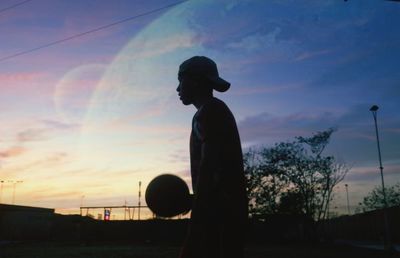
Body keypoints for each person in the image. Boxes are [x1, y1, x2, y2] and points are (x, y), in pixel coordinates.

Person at [176, 56, 248, 258]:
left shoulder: (211, 111)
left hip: (220, 214)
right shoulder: (210, 112)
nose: (177, 89)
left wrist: (194, 230)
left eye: (180, 81)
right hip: (222, 211)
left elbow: (209, 169)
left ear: (196, 81)